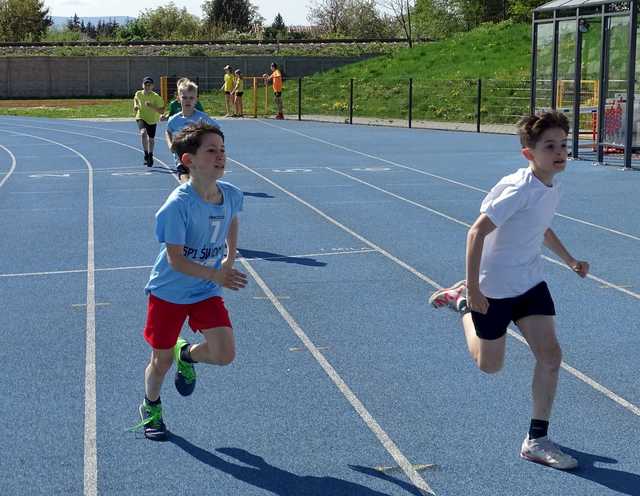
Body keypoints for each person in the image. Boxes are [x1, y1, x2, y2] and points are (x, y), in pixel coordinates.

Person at [428, 111, 589, 470]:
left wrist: (570, 260)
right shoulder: (518, 189)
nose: (560, 152)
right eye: (550, 146)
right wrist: (473, 289)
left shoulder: (551, 185)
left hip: (531, 283)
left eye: (563, 144)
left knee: (550, 356)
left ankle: (537, 439)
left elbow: (541, 228)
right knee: (491, 366)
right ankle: (462, 305)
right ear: (529, 154)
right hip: (494, 289)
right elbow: (476, 233)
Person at [132, 122, 248, 441]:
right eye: (211, 150)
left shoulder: (231, 195)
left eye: (222, 150)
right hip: (169, 291)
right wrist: (217, 273)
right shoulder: (177, 206)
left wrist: (229, 257)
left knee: (224, 354)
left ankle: (188, 354)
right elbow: (176, 260)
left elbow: (232, 218)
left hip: (204, 289)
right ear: (189, 160)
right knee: (160, 361)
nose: (220, 156)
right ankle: (151, 406)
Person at [166, 78, 220, 181]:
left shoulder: (202, 117)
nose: (188, 101)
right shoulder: (174, 120)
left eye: (191, 98)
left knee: (199, 186)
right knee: (185, 184)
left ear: (196, 100)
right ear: (178, 99)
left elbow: (217, 129)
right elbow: (168, 131)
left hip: (199, 159)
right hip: (181, 160)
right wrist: (170, 144)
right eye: (184, 97)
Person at [133, 76, 165, 167]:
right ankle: (146, 154)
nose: (147, 86)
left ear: (152, 86)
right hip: (141, 117)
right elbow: (135, 99)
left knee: (151, 139)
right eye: (145, 84)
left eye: (149, 85)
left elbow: (162, 111)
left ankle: (151, 155)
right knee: (143, 133)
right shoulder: (138, 93)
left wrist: (152, 106)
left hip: (152, 120)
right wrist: (136, 105)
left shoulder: (156, 97)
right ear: (142, 85)